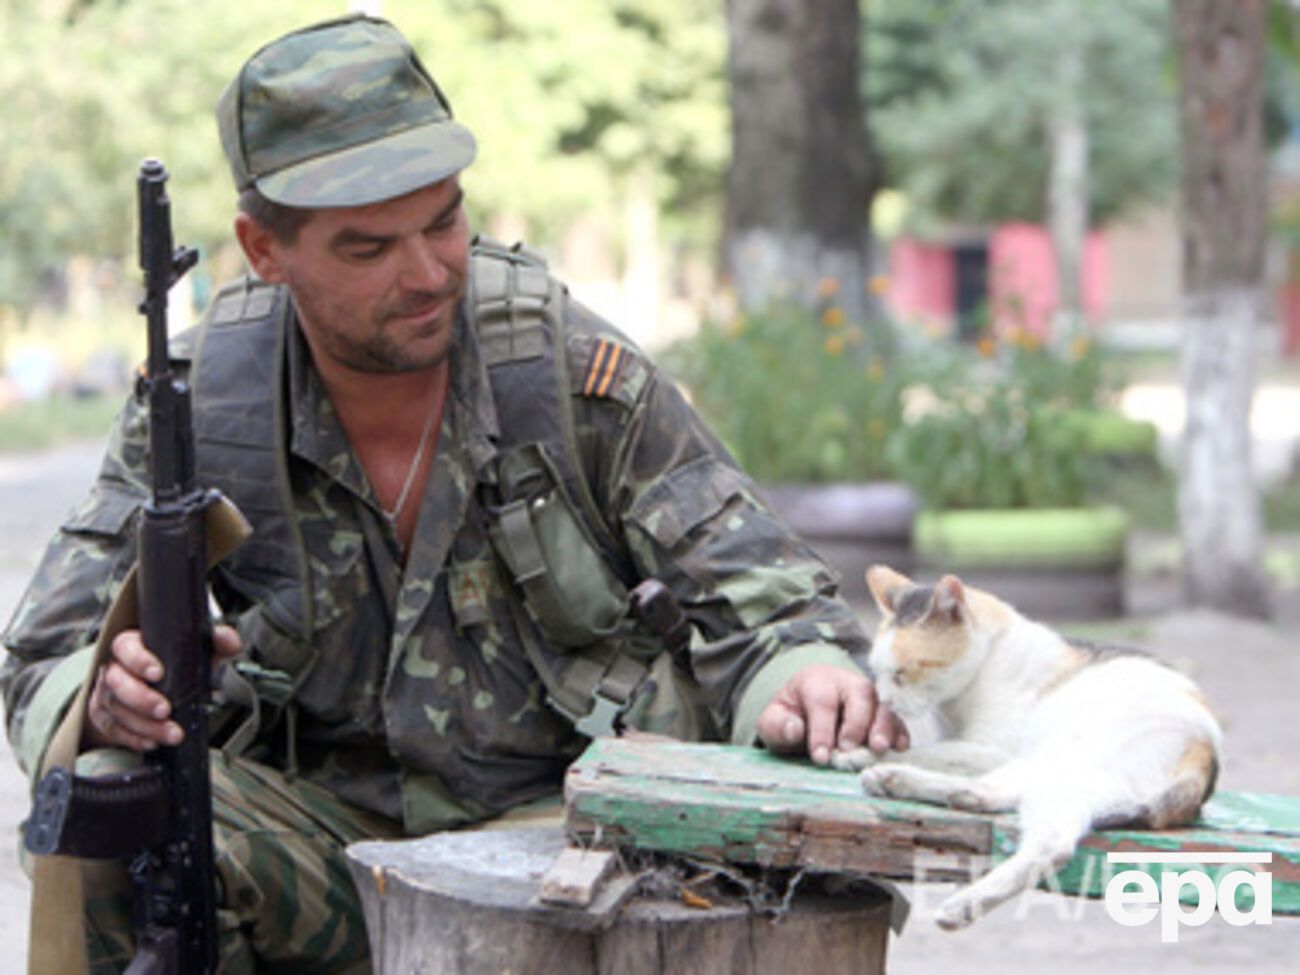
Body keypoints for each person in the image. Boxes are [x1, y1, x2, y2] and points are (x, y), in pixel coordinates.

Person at [1, 13, 905, 974]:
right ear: (264, 249)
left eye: (444, 219)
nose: (429, 271)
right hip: (333, 855)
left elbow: (769, 601)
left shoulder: (556, 367)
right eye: (369, 248)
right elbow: (44, 651)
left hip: (584, 847)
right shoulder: (204, 402)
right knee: (109, 800)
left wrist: (804, 678)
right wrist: (104, 700)